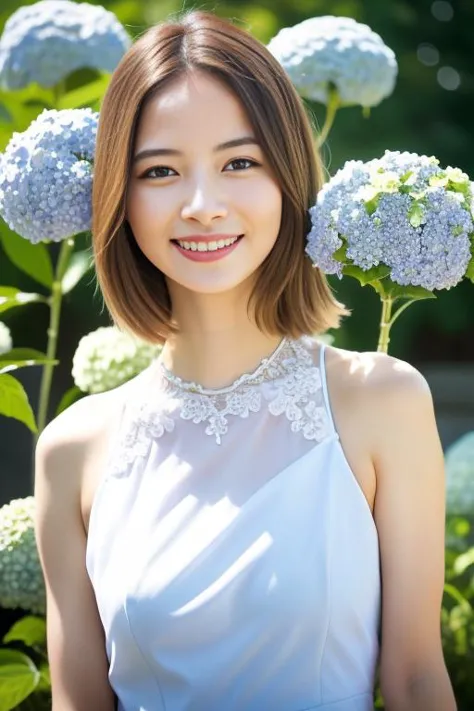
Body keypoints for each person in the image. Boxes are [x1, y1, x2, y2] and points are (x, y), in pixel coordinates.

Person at [34, 10, 456, 711]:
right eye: (161, 171)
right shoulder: (72, 451)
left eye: (239, 162)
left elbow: (415, 678)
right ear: (120, 198)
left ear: (288, 177)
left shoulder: (382, 402)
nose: (202, 205)